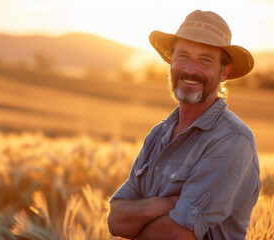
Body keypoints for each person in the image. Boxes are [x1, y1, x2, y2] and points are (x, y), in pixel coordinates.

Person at [107, 9, 261, 240]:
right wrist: (163, 204)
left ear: (224, 71)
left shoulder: (233, 140)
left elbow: (178, 234)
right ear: (171, 62)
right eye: (183, 56)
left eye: (205, 60)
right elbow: (115, 221)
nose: (190, 70)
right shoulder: (158, 135)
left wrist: (139, 216)